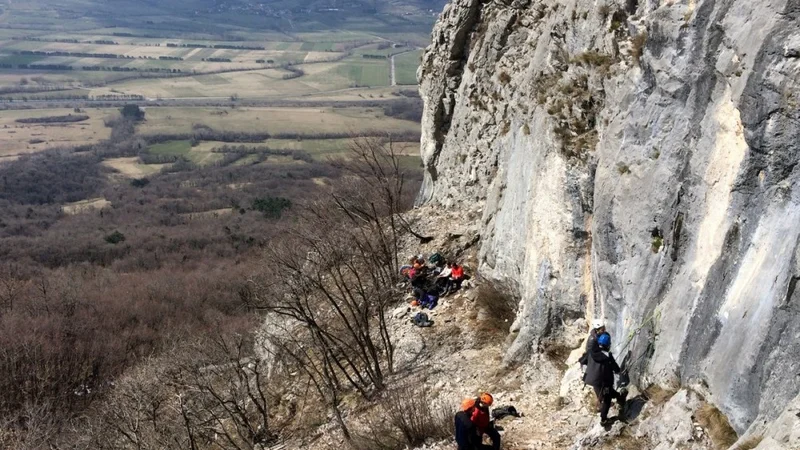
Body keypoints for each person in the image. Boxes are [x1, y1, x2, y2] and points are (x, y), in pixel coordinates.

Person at [584, 332, 626, 425]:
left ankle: (619, 396)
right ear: (608, 345)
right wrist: (619, 371)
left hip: (593, 380)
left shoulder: (591, 352)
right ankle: (603, 419)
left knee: (608, 392)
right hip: (604, 381)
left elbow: (584, 361)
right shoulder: (607, 355)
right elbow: (615, 367)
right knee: (607, 399)